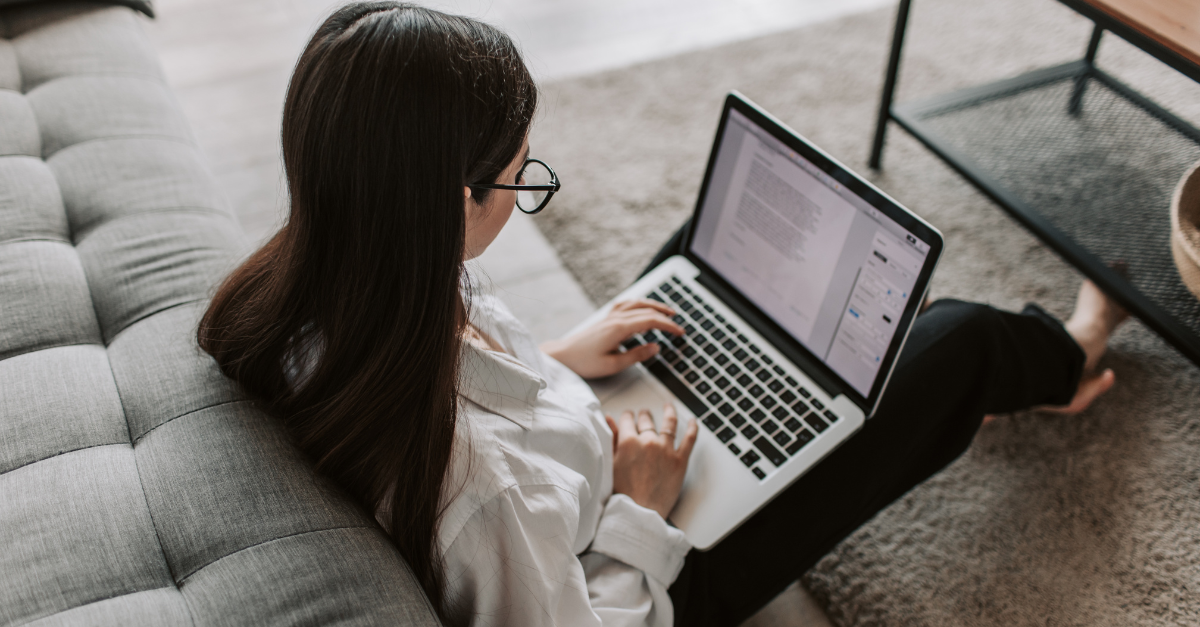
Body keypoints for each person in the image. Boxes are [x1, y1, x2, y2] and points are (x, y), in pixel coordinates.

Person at [197, 3, 1128, 626]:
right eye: (522, 177)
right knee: (957, 340)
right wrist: (641, 507)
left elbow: (456, 385)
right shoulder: (482, 494)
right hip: (654, 565)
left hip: (579, 451)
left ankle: (859, 347)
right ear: (450, 202)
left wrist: (556, 359)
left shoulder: (327, 281)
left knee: (705, 260)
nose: (528, 185)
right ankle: (1068, 357)